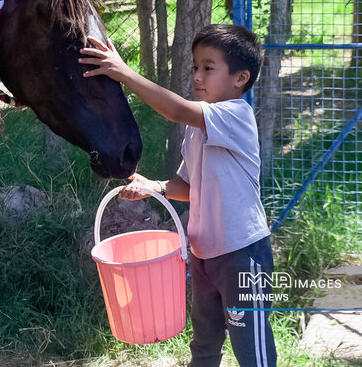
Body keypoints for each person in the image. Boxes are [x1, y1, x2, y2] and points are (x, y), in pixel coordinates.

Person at [79, 24, 277, 367]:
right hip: (203, 253)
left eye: (208, 68)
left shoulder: (235, 115)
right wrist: (153, 186)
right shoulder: (199, 128)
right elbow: (188, 187)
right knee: (204, 345)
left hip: (242, 254)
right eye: (195, 67)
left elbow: (175, 109)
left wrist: (123, 73)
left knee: (252, 352)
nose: (197, 76)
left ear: (240, 78)